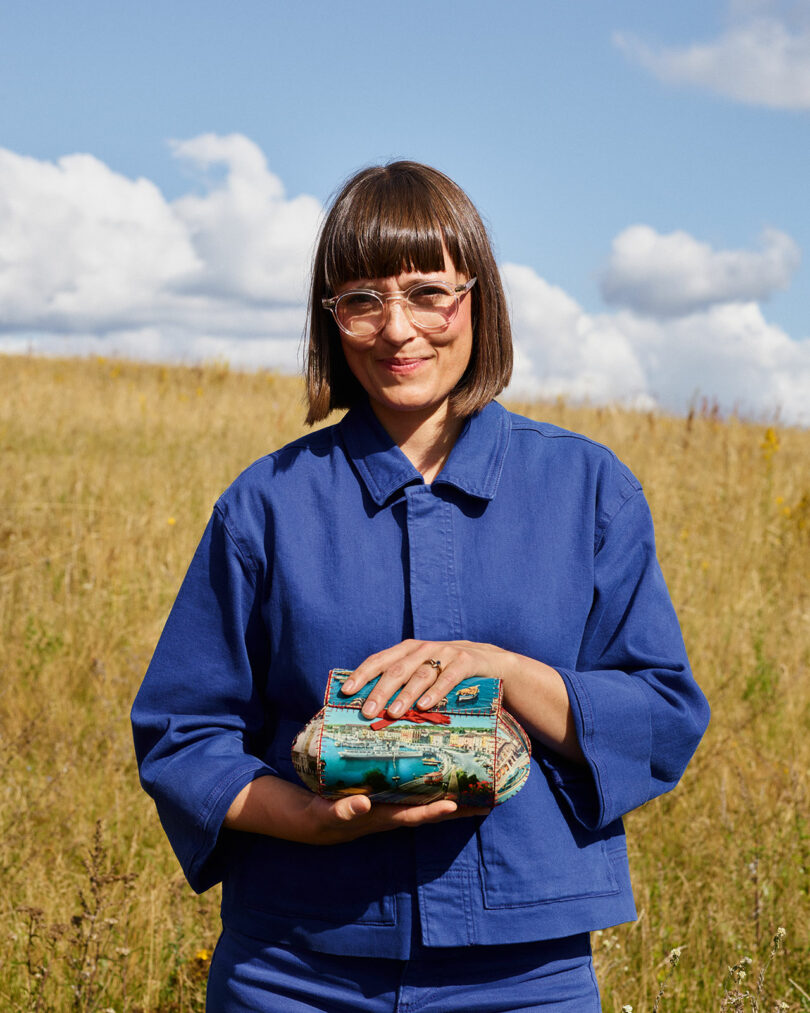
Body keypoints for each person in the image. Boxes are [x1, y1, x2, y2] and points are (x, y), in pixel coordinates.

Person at [131, 161, 710, 1012]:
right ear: (332, 320)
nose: (397, 329)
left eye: (429, 291)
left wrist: (497, 667)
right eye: (361, 299)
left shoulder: (589, 489)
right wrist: (310, 816)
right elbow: (181, 735)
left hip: (526, 974)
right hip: (294, 966)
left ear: (479, 297)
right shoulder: (266, 504)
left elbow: (663, 716)